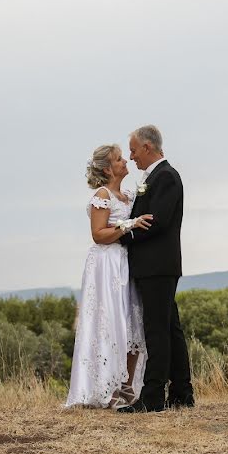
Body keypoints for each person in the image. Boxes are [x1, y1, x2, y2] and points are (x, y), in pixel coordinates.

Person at [65, 144, 153, 409]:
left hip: (127, 263)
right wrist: (129, 224)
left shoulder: (127, 194)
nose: (125, 161)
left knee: (132, 323)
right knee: (109, 322)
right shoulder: (101, 195)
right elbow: (98, 234)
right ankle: (107, 386)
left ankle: (126, 386)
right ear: (107, 168)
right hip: (107, 265)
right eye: (118, 159)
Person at [117, 125, 194, 413]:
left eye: (134, 150)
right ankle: (182, 392)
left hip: (157, 266)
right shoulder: (156, 177)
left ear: (148, 148)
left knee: (156, 332)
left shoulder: (167, 177)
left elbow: (154, 221)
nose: (131, 156)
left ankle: (152, 397)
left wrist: (123, 235)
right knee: (170, 329)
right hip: (155, 266)